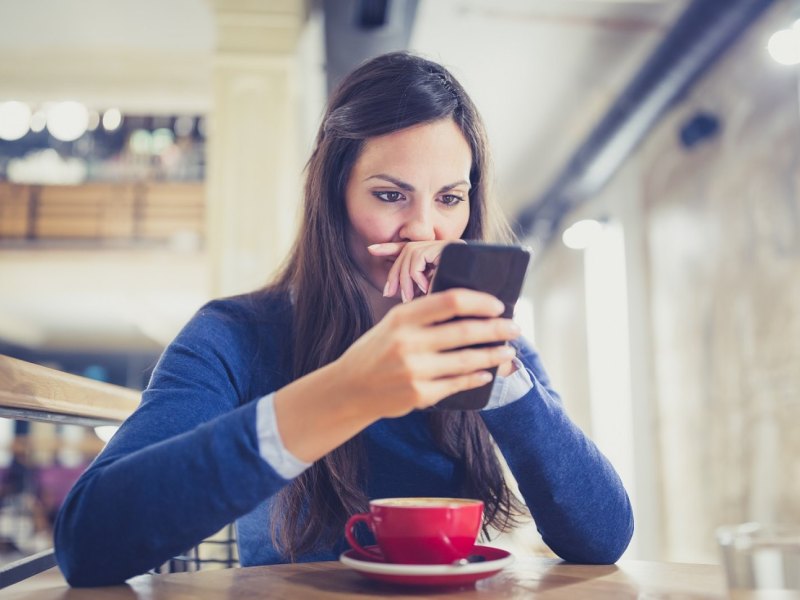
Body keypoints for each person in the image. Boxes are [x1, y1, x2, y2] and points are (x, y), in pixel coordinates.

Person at [54, 52, 634, 587]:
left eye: (449, 199)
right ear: (333, 200)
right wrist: (348, 391)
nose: (424, 229)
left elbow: (603, 538)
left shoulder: (487, 340)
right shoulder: (233, 334)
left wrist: (503, 380)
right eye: (389, 195)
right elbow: (88, 543)